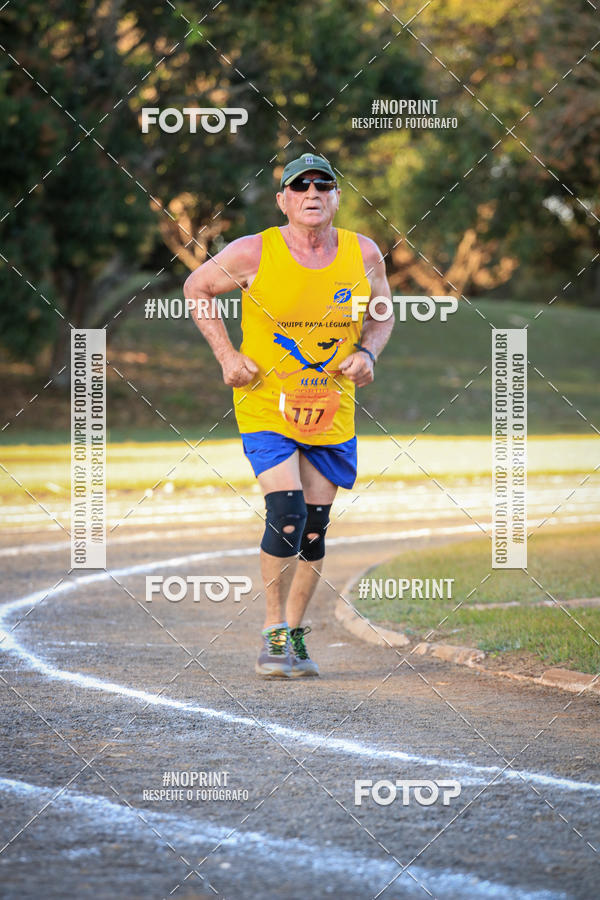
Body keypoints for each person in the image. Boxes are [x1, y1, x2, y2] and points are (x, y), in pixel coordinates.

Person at [184, 152, 393, 678]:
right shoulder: (254, 251)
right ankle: (273, 634)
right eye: (299, 187)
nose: (312, 193)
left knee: (315, 529)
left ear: (337, 197)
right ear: (283, 200)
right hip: (266, 406)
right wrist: (228, 357)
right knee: (288, 513)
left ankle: (295, 635)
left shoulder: (364, 252)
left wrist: (368, 353)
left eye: (323, 185)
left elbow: (382, 310)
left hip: (332, 409)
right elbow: (197, 288)